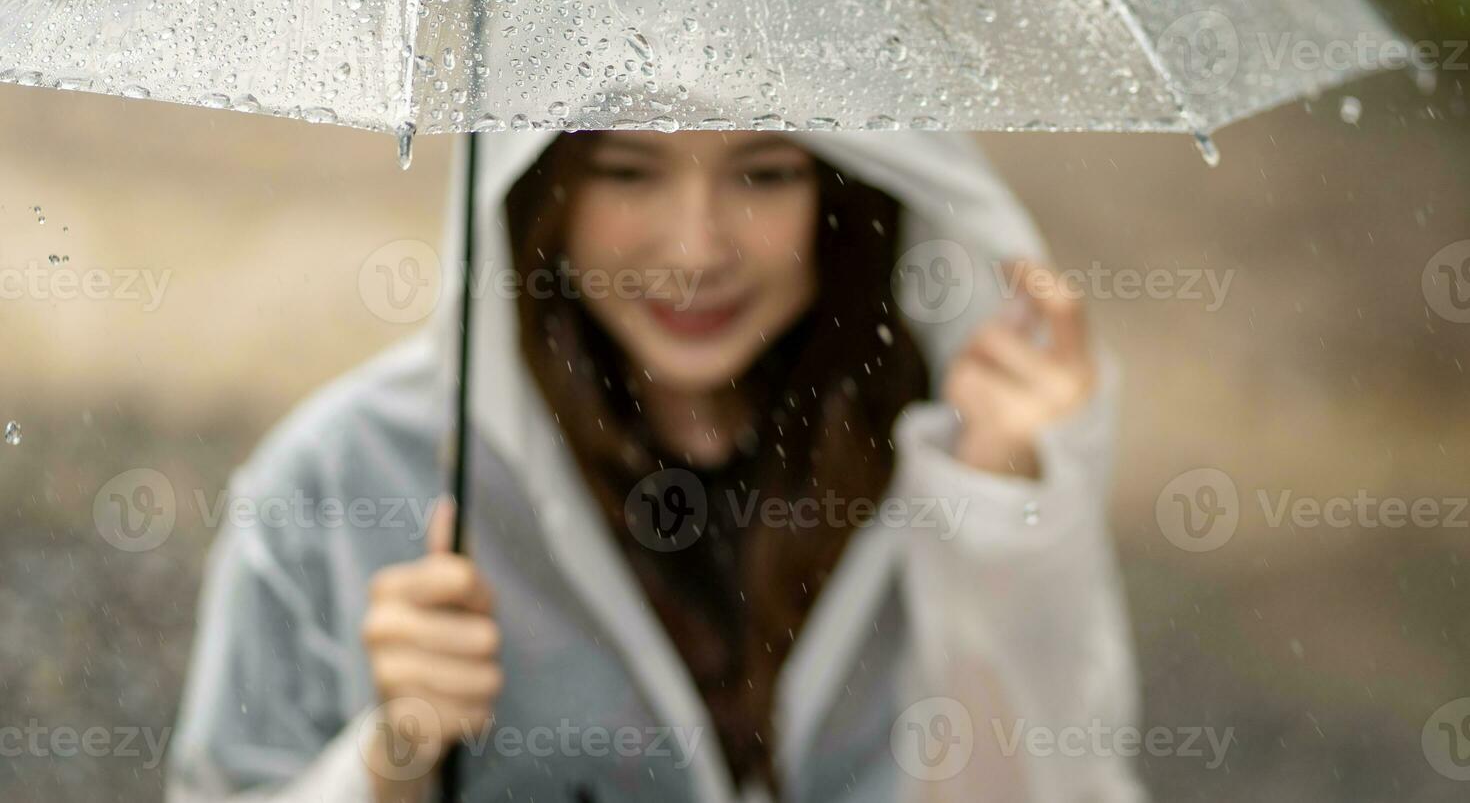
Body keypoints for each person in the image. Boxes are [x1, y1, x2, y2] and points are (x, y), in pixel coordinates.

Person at [167, 129, 1145, 803]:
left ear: (843, 185)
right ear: (540, 182)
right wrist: (390, 757)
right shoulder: (346, 473)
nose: (694, 247)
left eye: (764, 172)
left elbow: (1057, 779)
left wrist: (1006, 518)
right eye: (627, 170)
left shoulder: (944, 439)